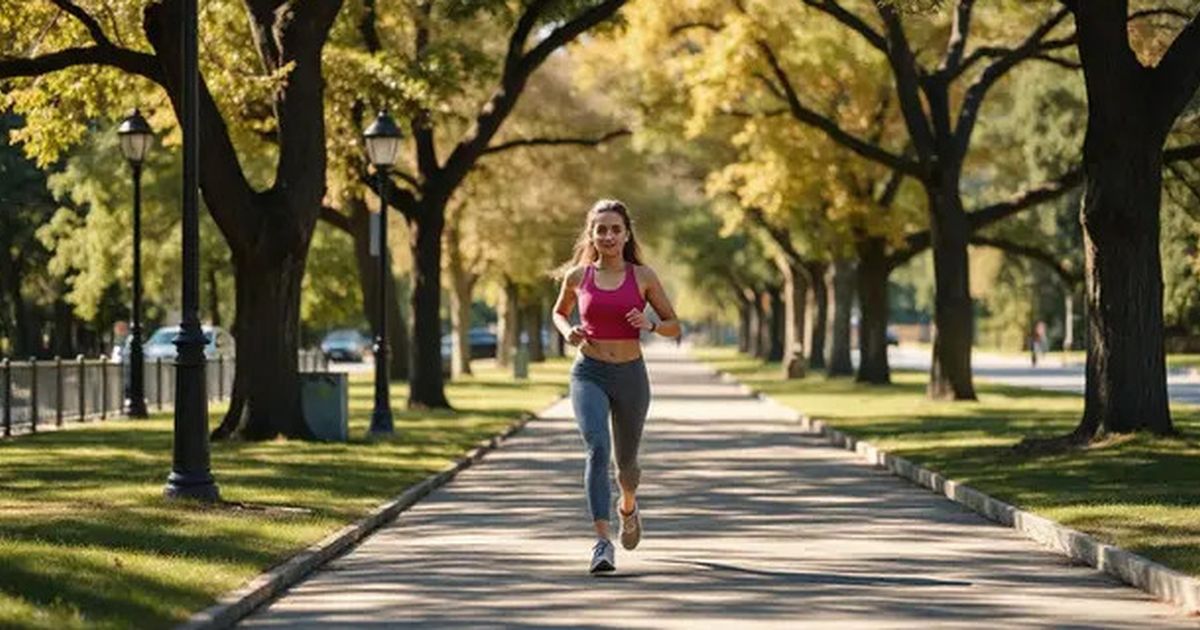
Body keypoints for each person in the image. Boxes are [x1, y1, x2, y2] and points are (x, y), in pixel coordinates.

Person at [551, 199, 681, 574]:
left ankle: (628, 505)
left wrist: (651, 324)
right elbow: (559, 312)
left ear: (626, 234)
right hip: (588, 372)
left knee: (626, 466)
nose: (608, 236)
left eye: (615, 229)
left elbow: (675, 325)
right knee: (597, 448)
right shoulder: (578, 276)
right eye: (601, 229)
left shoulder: (643, 277)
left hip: (630, 376)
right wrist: (568, 331)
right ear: (591, 235)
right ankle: (602, 543)